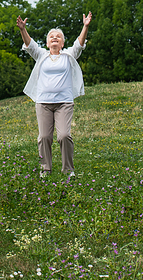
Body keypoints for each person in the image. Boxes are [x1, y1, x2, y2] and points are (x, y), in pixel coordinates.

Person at [16, 12, 92, 178]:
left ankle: (68, 170)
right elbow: (30, 44)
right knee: (44, 137)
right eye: (52, 36)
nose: (55, 38)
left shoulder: (68, 55)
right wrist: (23, 29)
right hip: (43, 103)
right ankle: (46, 170)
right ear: (47, 42)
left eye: (58, 37)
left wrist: (85, 26)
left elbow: (79, 44)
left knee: (64, 135)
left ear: (63, 43)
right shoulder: (41, 55)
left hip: (64, 103)